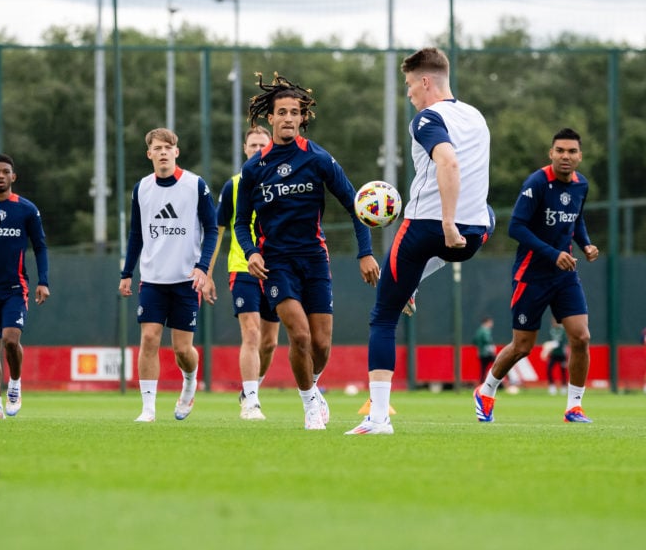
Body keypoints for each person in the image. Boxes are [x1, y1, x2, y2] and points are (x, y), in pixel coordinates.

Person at [348, 48, 491, 435]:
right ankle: (415, 282)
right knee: (488, 215)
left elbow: (448, 161)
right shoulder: (477, 117)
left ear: (425, 82)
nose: (409, 93)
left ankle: (378, 419)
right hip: (474, 232)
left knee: (383, 317)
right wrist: (461, 224)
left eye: (410, 85)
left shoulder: (427, 117)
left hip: (428, 227)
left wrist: (446, 222)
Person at [235, 74, 380, 430]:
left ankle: (313, 387)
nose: (287, 118)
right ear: (269, 118)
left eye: (294, 112)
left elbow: (355, 205)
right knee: (298, 335)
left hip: (314, 260)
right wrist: (252, 252)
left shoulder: (318, 159)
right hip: (276, 264)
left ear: (302, 118)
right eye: (281, 112)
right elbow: (240, 223)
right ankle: (310, 405)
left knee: (321, 345)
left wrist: (365, 252)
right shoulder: (254, 168)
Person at [475, 128, 599, 424]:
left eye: (571, 151)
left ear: (580, 156)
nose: (565, 156)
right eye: (560, 151)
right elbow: (516, 228)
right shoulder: (537, 184)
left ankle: (574, 407)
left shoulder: (581, 186)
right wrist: (553, 254)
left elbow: (576, 219)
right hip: (531, 275)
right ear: (551, 153)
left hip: (565, 275)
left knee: (581, 337)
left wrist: (586, 244)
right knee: (522, 346)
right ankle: (486, 390)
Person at [119, 128, 218, 423]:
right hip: (152, 280)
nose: (163, 152)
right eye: (157, 148)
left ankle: (189, 383)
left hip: (186, 280)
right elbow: (136, 233)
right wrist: (127, 272)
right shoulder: (141, 189)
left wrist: (202, 267)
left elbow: (211, 229)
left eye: (168, 147)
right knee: (149, 338)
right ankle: (148, 409)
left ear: (177, 152)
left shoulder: (195, 185)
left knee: (182, 349)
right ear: (149, 154)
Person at [203, 125, 281, 420]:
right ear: (245, 150)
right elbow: (217, 229)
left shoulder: (280, 182)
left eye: (263, 145)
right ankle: (251, 401)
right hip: (242, 267)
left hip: (275, 269)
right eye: (252, 146)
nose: (258, 150)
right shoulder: (233, 185)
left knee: (270, 342)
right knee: (251, 333)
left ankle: (251, 388)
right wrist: (207, 273)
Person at [0, 154, 50, 419]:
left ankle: (15, 384)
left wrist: (43, 281)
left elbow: (39, 246)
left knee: (10, 339)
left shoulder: (26, 209)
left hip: (15, 288)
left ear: (13, 177)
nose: (0, 176)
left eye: (5, 172)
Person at [540, 318, 569, 395]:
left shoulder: (563, 331)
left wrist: (552, 345)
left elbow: (562, 342)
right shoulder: (551, 331)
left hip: (562, 354)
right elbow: (549, 342)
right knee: (549, 369)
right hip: (553, 355)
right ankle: (552, 386)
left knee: (563, 371)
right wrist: (546, 350)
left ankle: (563, 387)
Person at [473, 316, 496, 383]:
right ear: (486, 322)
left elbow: (474, 341)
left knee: (483, 369)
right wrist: (491, 349)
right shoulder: (485, 331)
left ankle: (481, 383)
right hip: (487, 353)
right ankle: (506, 382)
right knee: (499, 365)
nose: (492, 324)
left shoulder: (479, 330)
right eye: (490, 323)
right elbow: (487, 341)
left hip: (481, 353)